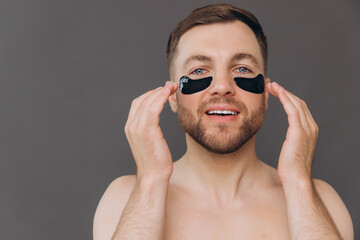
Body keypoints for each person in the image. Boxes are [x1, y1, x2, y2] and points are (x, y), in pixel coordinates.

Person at [93, 4, 354, 240]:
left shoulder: (321, 201)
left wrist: (299, 184)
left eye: (242, 69)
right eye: (198, 71)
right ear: (172, 96)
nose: (222, 87)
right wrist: (150, 181)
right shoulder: (123, 199)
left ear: (265, 94)